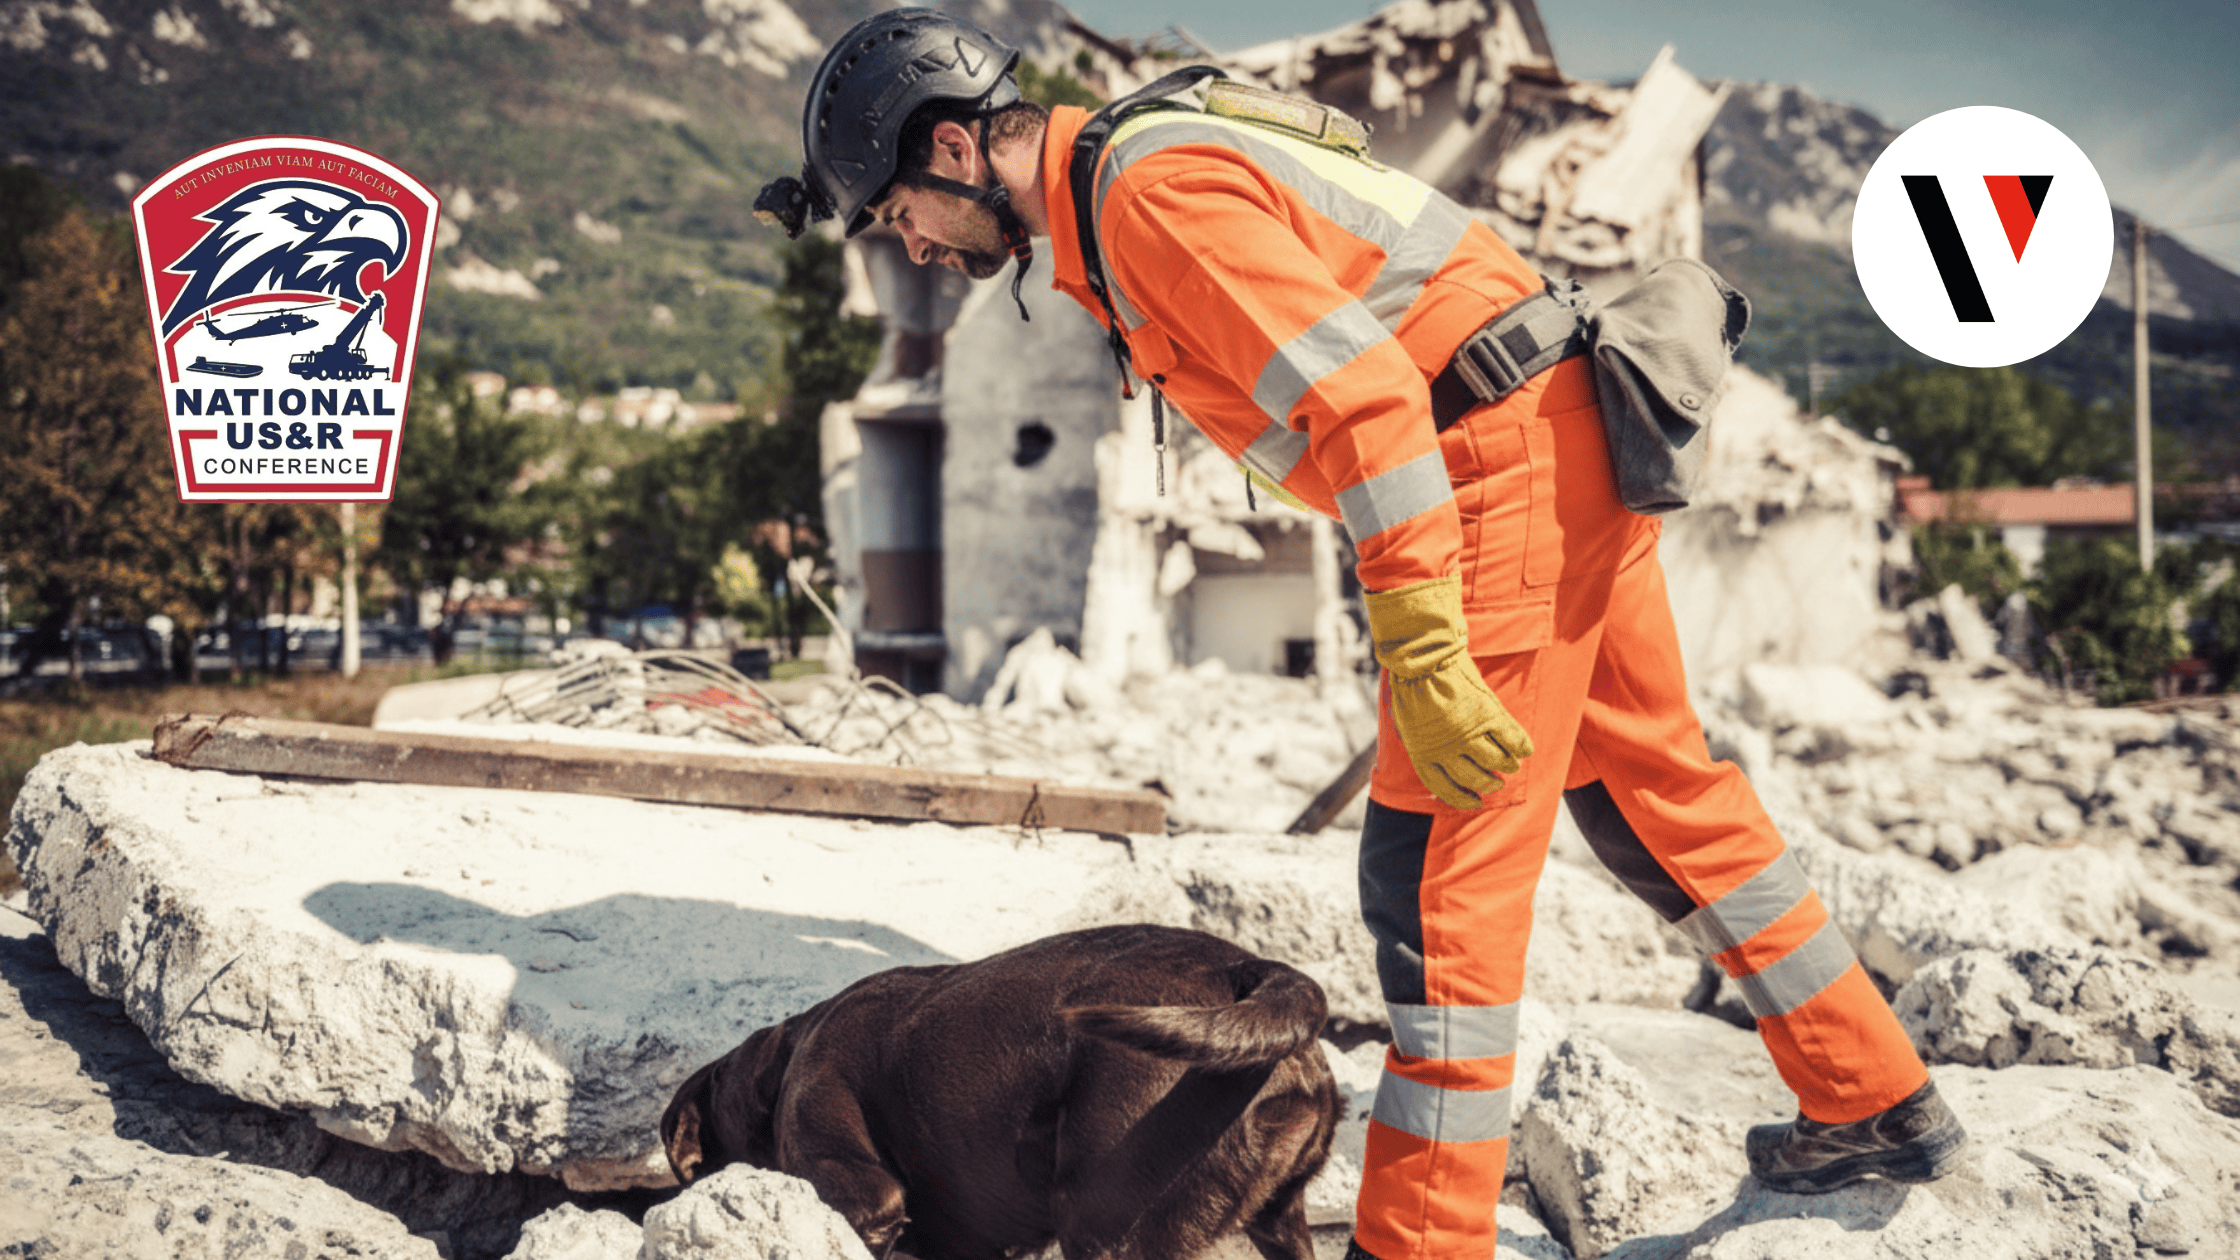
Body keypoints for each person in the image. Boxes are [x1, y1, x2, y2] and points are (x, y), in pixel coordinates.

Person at [763, 11, 1968, 1258]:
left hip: (1488, 470)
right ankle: (1867, 1092)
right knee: (1656, 790)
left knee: (1437, 886)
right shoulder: (1133, 167)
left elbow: (1371, 405)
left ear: (956, 150)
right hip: (1549, 443)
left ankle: (1418, 1243)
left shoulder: (1143, 195)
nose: (903, 239)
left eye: (894, 209)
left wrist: (1426, 644)